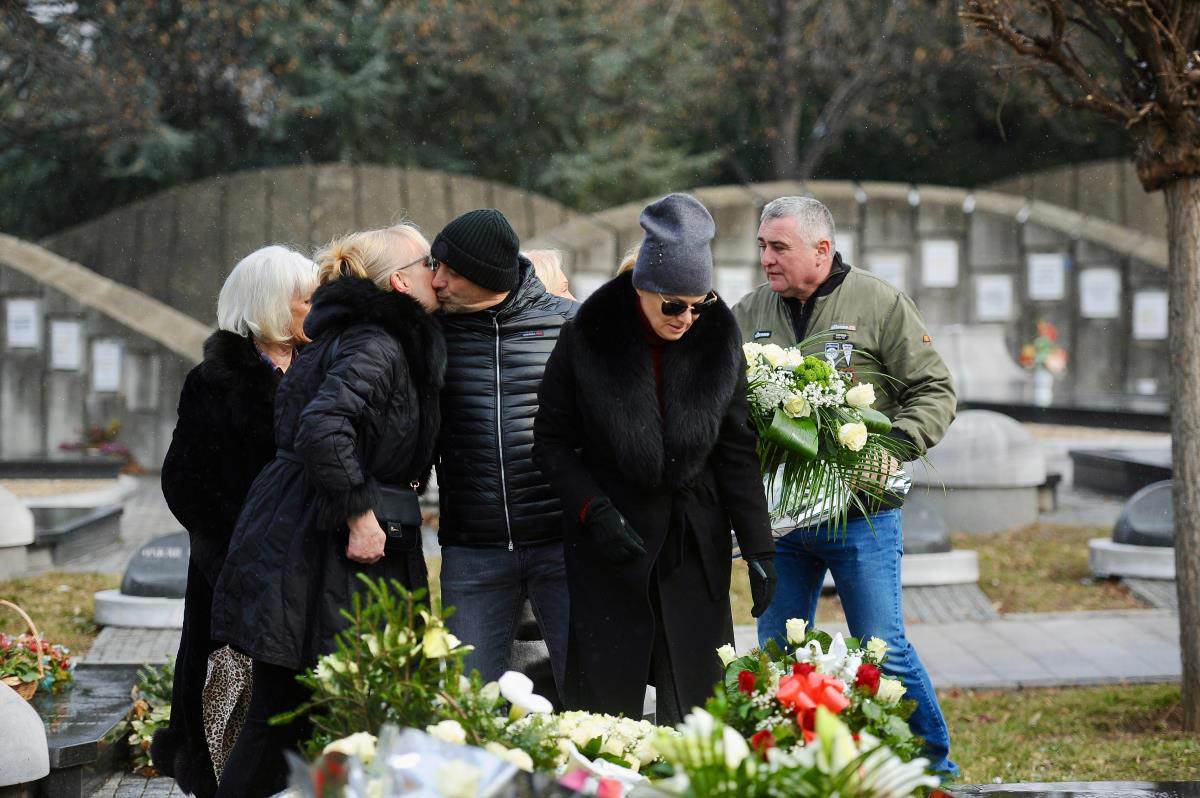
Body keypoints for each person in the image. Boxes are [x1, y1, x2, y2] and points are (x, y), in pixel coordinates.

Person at [210, 223, 445, 797]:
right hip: (323, 546)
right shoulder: (376, 343)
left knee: (295, 713)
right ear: (400, 281)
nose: (437, 274)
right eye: (427, 264)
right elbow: (322, 428)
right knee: (290, 713)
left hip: (305, 534)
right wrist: (360, 515)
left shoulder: (352, 336)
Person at [732, 196, 959, 777]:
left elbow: (935, 389)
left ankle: (933, 768)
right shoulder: (748, 311)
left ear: (822, 250)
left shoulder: (879, 303)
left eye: (778, 247)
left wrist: (893, 448)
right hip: (781, 524)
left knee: (883, 651)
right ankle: (791, 768)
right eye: (762, 246)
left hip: (863, 516)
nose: (766, 259)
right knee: (778, 655)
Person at [533, 193, 776, 724]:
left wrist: (759, 547)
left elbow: (737, 448)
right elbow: (551, 442)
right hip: (610, 539)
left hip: (693, 540)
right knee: (605, 712)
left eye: (699, 304)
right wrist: (592, 510)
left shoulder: (717, 335)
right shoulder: (587, 335)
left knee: (698, 706)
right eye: (673, 306)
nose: (687, 318)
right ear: (642, 287)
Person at [151, 245, 317, 797]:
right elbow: (183, 480)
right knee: (232, 696)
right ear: (271, 304)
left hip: (310, 562)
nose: (316, 307)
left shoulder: (323, 367)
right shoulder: (213, 380)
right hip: (233, 564)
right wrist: (237, 540)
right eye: (305, 298)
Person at [430, 209, 578, 697]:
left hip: (562, 545)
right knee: (466, 703)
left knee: (587, 695)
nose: (437, 280)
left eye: (449, 271)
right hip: (473, 549)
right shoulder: (431, 332)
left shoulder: (569, 323)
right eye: (434, 265)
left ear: (485, 276)